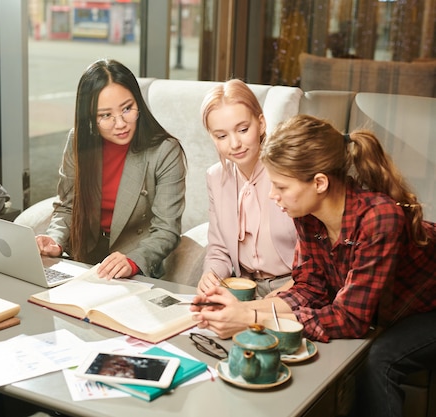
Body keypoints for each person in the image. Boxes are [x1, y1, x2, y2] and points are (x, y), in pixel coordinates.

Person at [191, 114, 436, 417]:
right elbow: (309, 288)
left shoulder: (379, 219)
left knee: (379, 359)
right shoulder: (306, 212)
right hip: (382, 307)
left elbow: (350, 319)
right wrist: (246, 311)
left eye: (280, 186)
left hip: (428, 307)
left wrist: (252, 317)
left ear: (319, 182)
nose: (272, 195)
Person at [35, 59, 186, 280]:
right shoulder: (78, 140)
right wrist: (55, 239)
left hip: (132, 263)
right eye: (106, 115)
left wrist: (133, 261)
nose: (121, 123)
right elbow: (67, 206)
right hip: (81, 260)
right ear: (90, 118)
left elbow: (167, 230)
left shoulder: (165, 151)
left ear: (139, 104)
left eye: (127, 109)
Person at [196, 79, 296, 298]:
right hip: (243, 289)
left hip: (295, 287)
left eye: (242, 129)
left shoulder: (289, 172)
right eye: (221, 136)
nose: (234, 144)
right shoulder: (216, 177)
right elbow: (219, 249)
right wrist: (210, 276)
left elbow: (314, 258)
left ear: (261, 123)